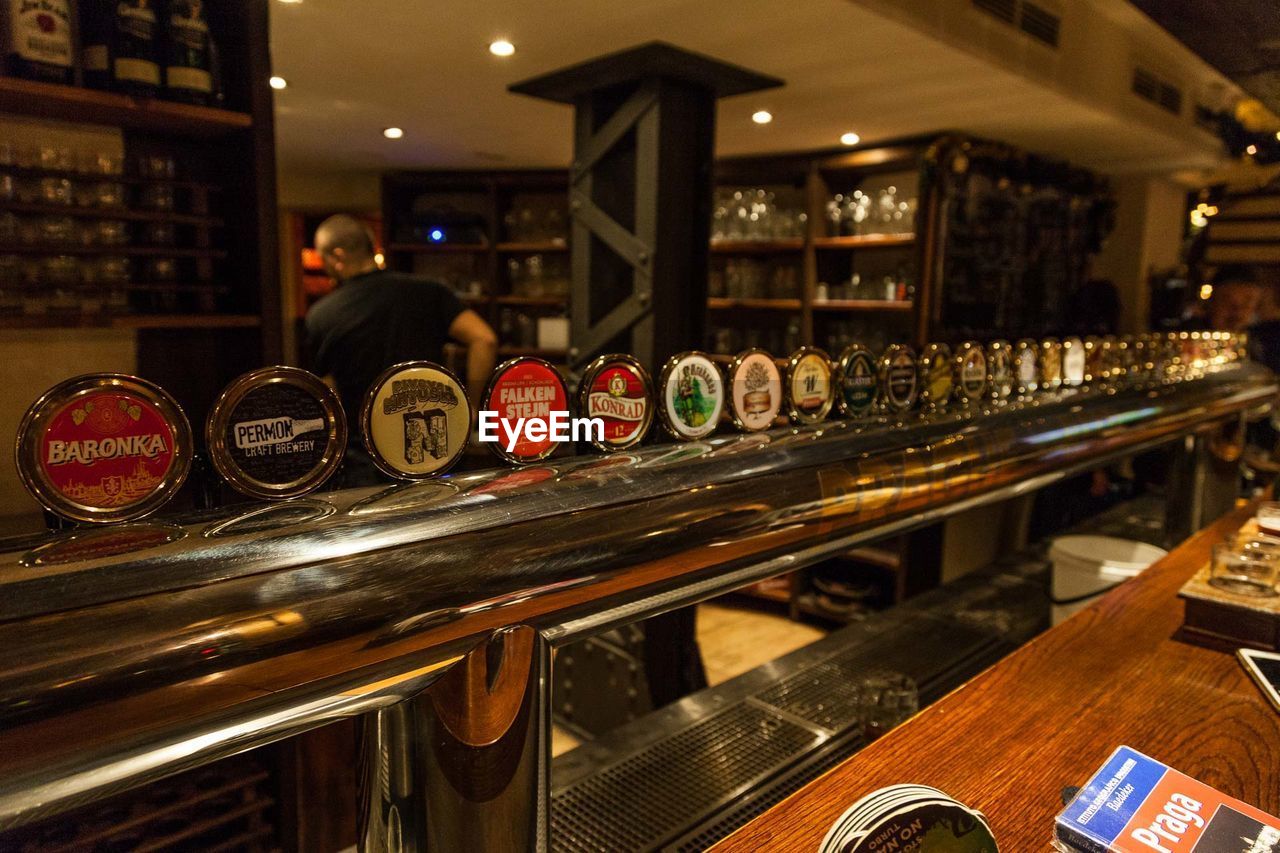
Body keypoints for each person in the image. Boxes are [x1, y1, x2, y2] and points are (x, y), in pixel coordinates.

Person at [306, 215, 498, 484]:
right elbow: (484, 339)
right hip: (435, 447)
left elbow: (327, 391)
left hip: (365, 458)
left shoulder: (321, 314)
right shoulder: (429, 291)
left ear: (337, 256)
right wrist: (472, 405)